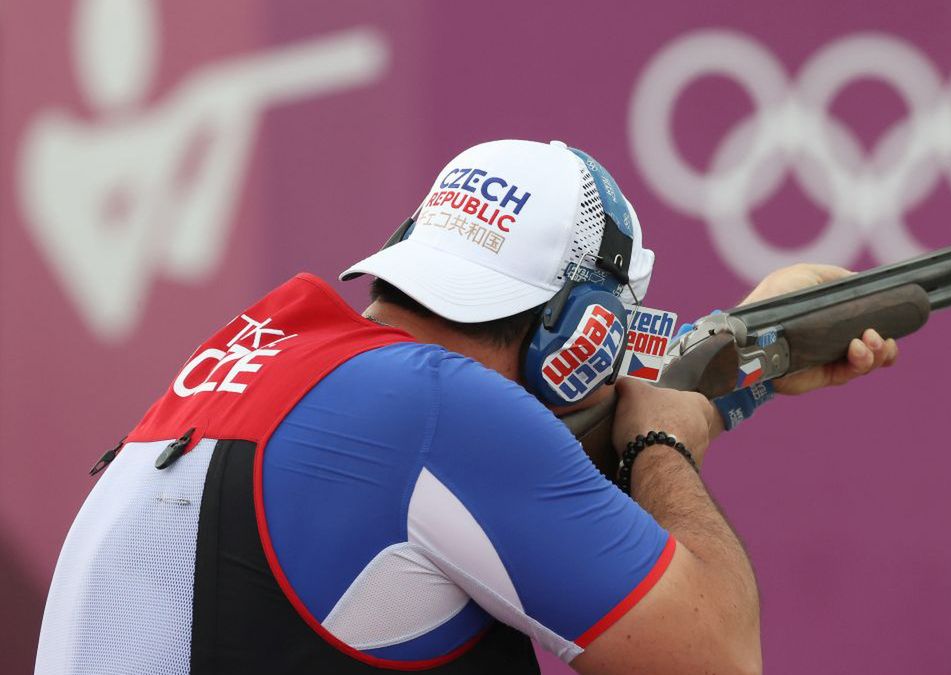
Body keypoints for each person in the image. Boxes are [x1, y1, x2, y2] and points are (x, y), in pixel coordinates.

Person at [35, 139, 897, 675]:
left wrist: (746, 352)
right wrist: (666, 440)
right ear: (584, 334)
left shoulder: (267, 360)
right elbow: (715, 657)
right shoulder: (439, 410)